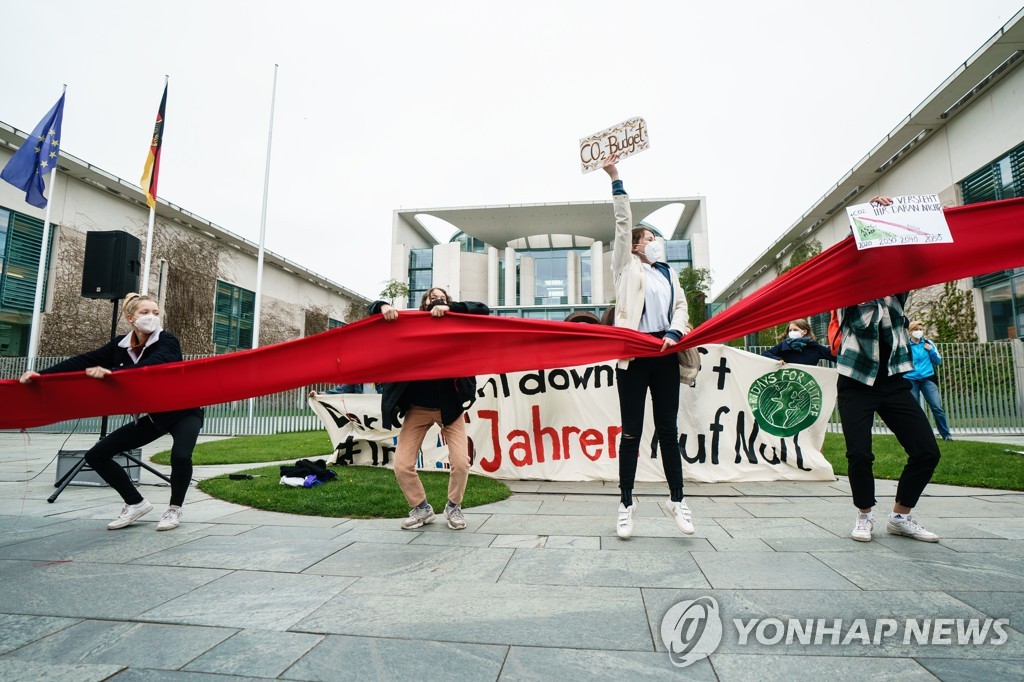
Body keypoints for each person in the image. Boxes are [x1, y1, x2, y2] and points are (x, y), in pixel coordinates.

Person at [19, 293, 203, 531]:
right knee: (96, 455)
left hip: (184, 411)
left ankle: (174, 509)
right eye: (145, 313)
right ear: (130, 318)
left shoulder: (167, 340)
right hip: (154, 415)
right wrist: (41, 376)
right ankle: (135, 503)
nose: (151, 317)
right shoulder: (120, 345)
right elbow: (83, 361)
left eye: (156, 313)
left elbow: (156, 365)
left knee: (180, 456)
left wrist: (113, 373)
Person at [601, 156, 696, 539]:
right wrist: (615, 179)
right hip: (634, 356)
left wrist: (675, 332)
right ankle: (626, 502)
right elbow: (623, 226)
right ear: (638, 247)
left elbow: (681, 307)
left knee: (668, 430)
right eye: (652, 239)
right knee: (631, 432)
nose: (657, 243)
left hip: (665, 353)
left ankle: (678, 499)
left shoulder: (670, 273)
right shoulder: (626, 267)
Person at [835, 201, 942, 544]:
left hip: (894, 381)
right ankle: (864, 514)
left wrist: (892, 217)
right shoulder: (848, 294)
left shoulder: (896, 295)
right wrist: (868, 215)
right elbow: (854, 252)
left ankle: (900, 516)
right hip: (856, 382)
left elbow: (908, 256)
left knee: (927, 451)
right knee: (860, 454)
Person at [370, 288, 489, 531]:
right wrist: (382, 306)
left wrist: (451, 310)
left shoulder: (457, 324)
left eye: (442, 297)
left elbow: (483, 310)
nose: (437, 299)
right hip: (417, 409)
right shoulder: (409, 325)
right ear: (424, 302)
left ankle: (453, 506)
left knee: (461, 463)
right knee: (402, 464)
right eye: (432, 296)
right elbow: (372, 311)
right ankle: (421, 508)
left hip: (450, 410)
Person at [905, 320, 952, 441]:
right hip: (911, 379)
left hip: (927, 379)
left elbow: (938, 361)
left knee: (937, 407)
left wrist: (931, 350)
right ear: (910, 332)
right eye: (916, 329)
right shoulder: (905, 345)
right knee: (913, 409)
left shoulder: (928, 343)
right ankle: (916, 435)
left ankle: (946, 435)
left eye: (920, 329)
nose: (919, 332)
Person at [762, 319, 835, 365]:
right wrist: (778, 359)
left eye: (795, 330)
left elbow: (834, 357)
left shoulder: (815, 347)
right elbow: (765, 354)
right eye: (790, 330)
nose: (792, 332)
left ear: (804, 331)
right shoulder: (784, 346)